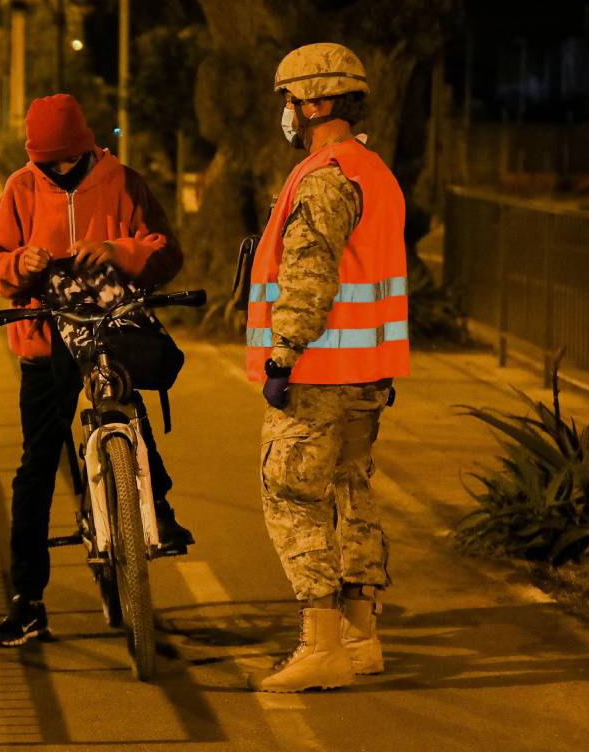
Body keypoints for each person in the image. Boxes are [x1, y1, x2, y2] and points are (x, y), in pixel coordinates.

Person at [0, 93, 193, 647]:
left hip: (110, 330)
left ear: (88, 145)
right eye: (50, 163)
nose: (62, 170)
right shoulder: (20, 188)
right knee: (37, 465)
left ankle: (158, 507)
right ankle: (27, 602)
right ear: (34, 157)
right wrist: (18, 264)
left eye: (70, 159)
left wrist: (122, 251)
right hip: (44, 339)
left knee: (131, 413)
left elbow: (166, 251)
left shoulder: (124, 180)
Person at [243, 43, 410, 692]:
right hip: (370, 374)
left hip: (317, 373)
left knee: (291, 495)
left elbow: (310, 276)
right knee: (351, 492)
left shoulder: (323, 177)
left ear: (315, 102)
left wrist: (282, 355)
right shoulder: (375, 172)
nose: (285, 114)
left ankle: (321, 645)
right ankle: (364, 637)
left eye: (289, 101)